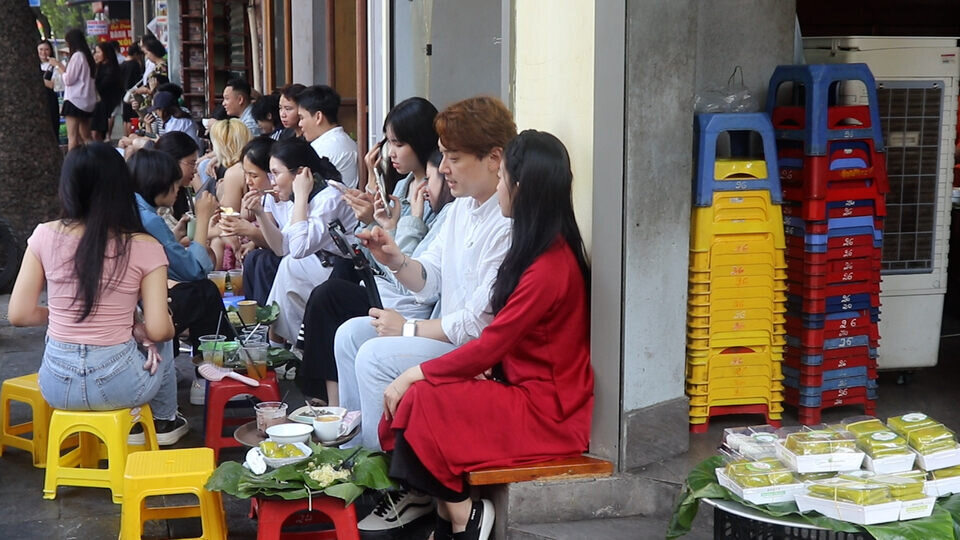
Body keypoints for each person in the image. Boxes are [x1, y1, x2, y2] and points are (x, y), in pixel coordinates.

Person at [379, 130, 594, 540]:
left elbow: (493, 342)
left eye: (504, 178)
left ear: (521, 187)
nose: (498, 187)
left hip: (549, 412)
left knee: (421, 398)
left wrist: (414, 372)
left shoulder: (550, 265)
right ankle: (452, 516)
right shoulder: (538, 248)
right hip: (519, 389)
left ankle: (465, 516)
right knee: (420, 400)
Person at [333, 96, 515, 534]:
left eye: (454, 157)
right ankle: (368, 460)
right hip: (447, 335)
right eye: (443, 155)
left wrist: (409, 327)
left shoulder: (507, 220)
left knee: (374, 355)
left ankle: (407, 484)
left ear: (494, 159)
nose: (444, 168)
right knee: (351, 335)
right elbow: (429, 279)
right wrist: (396, 259)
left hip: (474, 352)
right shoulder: (460, 209)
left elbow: (479, 322)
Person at [7, 142, 188, 445]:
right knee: (161, 341)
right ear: (122, 188)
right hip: (122, 386)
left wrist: (68, 314)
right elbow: (159, 330)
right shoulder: (146, 246)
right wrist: (147, 325)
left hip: (57, 386)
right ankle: (162, 420)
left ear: (67, 187)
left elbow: (19, 314)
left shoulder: (43, 235)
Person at [298, 96, 442, 403]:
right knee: (341, 271)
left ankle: (329, 398)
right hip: (388, 283)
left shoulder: (436, 198)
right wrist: (374, 217)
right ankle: (327, 392)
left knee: (330, 295)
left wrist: (391, 223)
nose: (392, 152)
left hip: (406, 300)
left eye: (399, 143)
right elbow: (386, 242)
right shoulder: (403, 185)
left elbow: (409, 263)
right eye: (389, 143)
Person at [129, 149, 235, 356]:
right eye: (175, 183)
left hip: (129, 302)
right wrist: (202, 218)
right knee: (205, 291)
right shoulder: (149, 219)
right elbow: (193, 270)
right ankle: (217, 362)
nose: (178, 189)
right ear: (159, 182)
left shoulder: (132, 206)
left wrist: (175, 238)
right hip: (138, 309)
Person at [261, 138, 357, 345]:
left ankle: (296, 344)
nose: (272, 182)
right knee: (288, 265)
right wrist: (260, 214)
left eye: (276, 173)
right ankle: (284, 343)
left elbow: (297, 249)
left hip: (348, 271)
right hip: (326, 264)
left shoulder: (329, 197)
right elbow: (282, 247)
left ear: (300, 173)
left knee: (291, 265)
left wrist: (301, 197)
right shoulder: (308, 195)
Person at [295, 85, 358, 188]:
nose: (300, 124)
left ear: (318, 117)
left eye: (302, 118)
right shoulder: (345, 141)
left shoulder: (321, 149)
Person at [47, 29, 96, 150]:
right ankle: (95, 156)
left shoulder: (77, 56)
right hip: (86, 101)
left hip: (74, 100)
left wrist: (58, 66)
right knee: (86, 136)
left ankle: (72, 160)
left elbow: (69, 79)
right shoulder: (87, 57)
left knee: (73, 137)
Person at [154, 131, 201, 220]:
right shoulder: (159, 201)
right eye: (192, 163)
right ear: (173, 160)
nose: (195, 170)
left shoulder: (180, 192)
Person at [91, 42, 123, 141]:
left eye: (98, 52)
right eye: (95, 52)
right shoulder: (98, 66)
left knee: (97, 133)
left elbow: (101, 85)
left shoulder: (111, 69)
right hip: (97, 103)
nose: (96, 55)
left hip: (104, 103)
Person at [38, 39, 62, 140]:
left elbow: (53, 84)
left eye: (46, 49)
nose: (43, 52)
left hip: (50, 100)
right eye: (41, 49)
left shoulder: (54, 66)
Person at [120, 43, 145, 134]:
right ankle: (131, 135)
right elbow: (138, 81)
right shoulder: (135, 65)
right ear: (135, 54)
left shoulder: (122, 64)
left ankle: (126, 136)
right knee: (132, 117)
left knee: (126, 118)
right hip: (133, 93)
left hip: (124, 94)